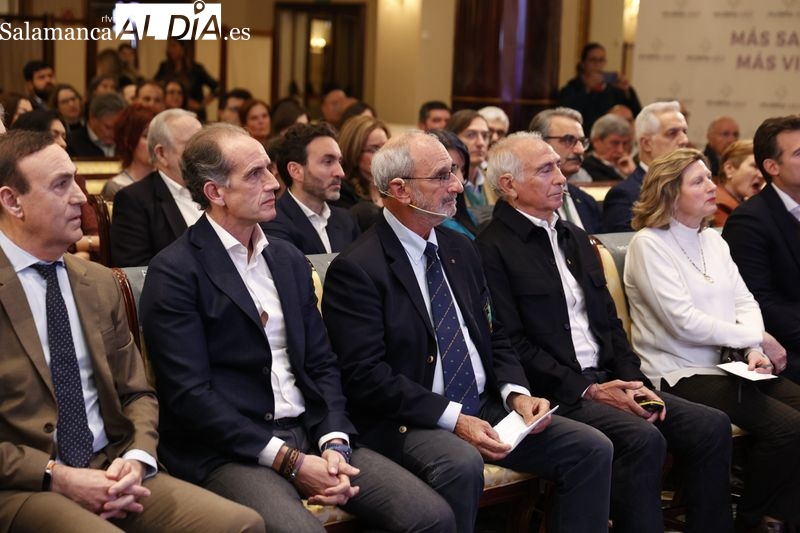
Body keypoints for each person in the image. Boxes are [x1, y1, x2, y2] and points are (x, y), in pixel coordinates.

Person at [139, 123, 456, 533]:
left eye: (268, 169)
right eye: (254, 175)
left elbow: (323, 363)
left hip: (310, 432)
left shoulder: (286, 258)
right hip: (232, 449)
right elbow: (190, 397)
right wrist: (290, 462)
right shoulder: (176, 270)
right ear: (215, 193)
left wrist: (335, 441)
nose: (273, 183)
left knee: (432, 517)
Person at [321, 129, 613, 533]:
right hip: (412, 417)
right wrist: (454, 419)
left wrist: (517, 393)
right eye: (442, 176)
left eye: (455, 171)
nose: (457, 185)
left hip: (486, 404)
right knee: (461, 463)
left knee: (590, 447)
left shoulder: (461, 249)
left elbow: (494, 335)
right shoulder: (358, 267)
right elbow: (365, 376)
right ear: (400, 189)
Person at [0, 130, 265, 533]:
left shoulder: (97, 281)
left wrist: (138, 456)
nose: (79, 197)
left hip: (111, 467)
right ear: (11, 201)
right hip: (25, 485)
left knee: (241, 524)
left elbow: (137, 392)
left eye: (75, 179)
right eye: (60, 185)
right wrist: (56, 474)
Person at [475, 133, 733, 533]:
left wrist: (633, 381)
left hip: (609, 380)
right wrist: (589, 390)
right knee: (642, 438)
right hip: (559, 391)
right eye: (546, 169)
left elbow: (609, 324)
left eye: (559, 166)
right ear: (508, 185)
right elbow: (511, 344)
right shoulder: (490, 248)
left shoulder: (573, 237)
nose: (561, 177)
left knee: (710, 426)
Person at [624, 147, 800, 532]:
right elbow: (683, 323)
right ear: (670, 192)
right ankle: (753, 520)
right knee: (789, 430)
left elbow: (745, 301)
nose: (711, 187)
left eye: (709, 177)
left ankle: (781, 516)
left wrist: (754, 348)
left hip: (728, 365)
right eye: (699, 181)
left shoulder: (714, 241)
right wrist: (756, 338)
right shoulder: (649, 244)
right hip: (678, 372)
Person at [723, 115, 800, 383]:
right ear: (772, 166)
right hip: (782, 347)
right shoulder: (751, 219)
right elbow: (760, 301)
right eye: (799, 153)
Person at [110, 109, 202, 267]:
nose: (205, 153)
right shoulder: (134, 201)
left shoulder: (218, 189)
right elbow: (135, 272)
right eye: (193, 145)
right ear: (162, 154)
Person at [10, 111, 99, 261]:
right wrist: (78, 249)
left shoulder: (76, 180)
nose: (63, 143)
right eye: (54, 135)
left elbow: (97, 233)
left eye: (64, 136)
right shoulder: (17, 184)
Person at [261, 123, 360, 254]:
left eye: (339, 161)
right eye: (328, 162)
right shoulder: (272, 221)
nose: (340, 172)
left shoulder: (346, 220)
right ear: (296, 171)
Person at [602, 100, 690, 232]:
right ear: (646, 144)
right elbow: (625, 248)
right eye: (672, 133)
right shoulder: (624, 195)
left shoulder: (692, 187)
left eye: (685, 132)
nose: (684, 140)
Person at [528, 108, 602, 234]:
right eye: (568, 140)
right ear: (540, 142)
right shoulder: (527, 203)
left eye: (582, 142)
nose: (580, 150)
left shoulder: (587, 202)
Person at [556, 43, 641, 135]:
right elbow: (566, 117)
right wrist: (587, 90)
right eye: (593, 60)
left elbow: (637, 113)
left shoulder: (612, 88)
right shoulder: (571, 89)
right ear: (583, 63)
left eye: (601, 60)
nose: (597, 64)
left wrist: (627, 90)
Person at [429, 129, 480, 239]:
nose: (461, 180)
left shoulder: (463, 213)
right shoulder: (426, 227)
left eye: (463, 170)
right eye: (452, 169)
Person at [446, 110, 495, 224]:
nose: (481, 143)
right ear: (452, 139)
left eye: (485, 136)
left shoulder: (494, 179)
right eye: (471, 135)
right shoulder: (446, 182)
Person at [102, 104, 157, 200]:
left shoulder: (170, 182)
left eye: (157, 136)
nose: (155, 143)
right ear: (128, 141)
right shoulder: (117, 188)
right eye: (146, 136)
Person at [155, 38, 219, 121]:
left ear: (183, 48)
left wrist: (201, 105)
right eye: (169, 46)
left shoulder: (196, 69)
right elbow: (155, 85)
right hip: (170, 112)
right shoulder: (165, 67)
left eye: (174, 46)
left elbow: (217, 88)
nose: (170, 50)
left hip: (192, 113)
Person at [334, 115, 389, 209]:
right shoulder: (341, 191)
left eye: (387, 147)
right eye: (374, 149)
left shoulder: (394, 187)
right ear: (354, 153)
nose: (384, 155)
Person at [712, 140, 764, 227]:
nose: (761, 175)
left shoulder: (747, 205)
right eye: (755, 167)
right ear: (729, 169)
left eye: (763, 169)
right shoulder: (716, 207)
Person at [66, 92, 127, 158]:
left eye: (119, 127)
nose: (114, 133)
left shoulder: (128, 142)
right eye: (108, 127)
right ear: (92, 119)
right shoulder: (70, 144)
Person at [583, 113, 636, 181]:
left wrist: (632, 173)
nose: (621, 150)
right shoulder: (587, 166)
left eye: (625, 143)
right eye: (615, 143)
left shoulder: (632, 164)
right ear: (596, 142)